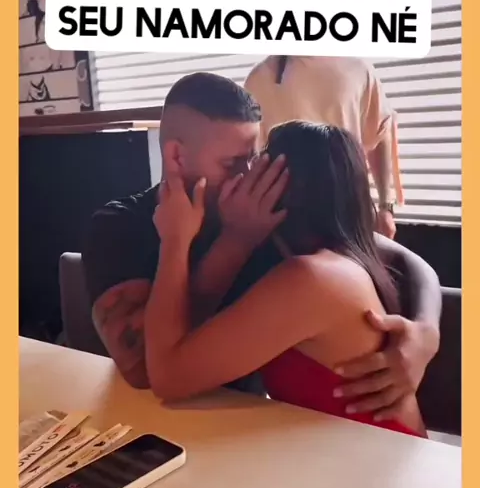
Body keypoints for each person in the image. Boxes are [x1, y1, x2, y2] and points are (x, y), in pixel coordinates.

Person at [83, 72, 441, 420]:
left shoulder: (265, 215)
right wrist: (230, 243)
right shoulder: (118, 226)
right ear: (177, 157)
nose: (247, 174)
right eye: (231, 163)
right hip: (150, 420)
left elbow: (396, 257)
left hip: (258, 425)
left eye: (252, 158)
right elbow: (144, 371)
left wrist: (427, 331)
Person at [143, 121, 426, 435]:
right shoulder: (335, 255)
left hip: (381, 459)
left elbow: (167, 378)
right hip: (335, 450)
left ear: (278, 188)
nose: (244, 175)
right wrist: (236, 237)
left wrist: (175, 240)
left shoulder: (313, 279)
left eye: (257, 164)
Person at [244, 55, 400, 240]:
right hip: (285, 214)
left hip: (348, 209)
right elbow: (249, 157)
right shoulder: (259, 79)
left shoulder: (358, 68)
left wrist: (385, 207)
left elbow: (379, 133)